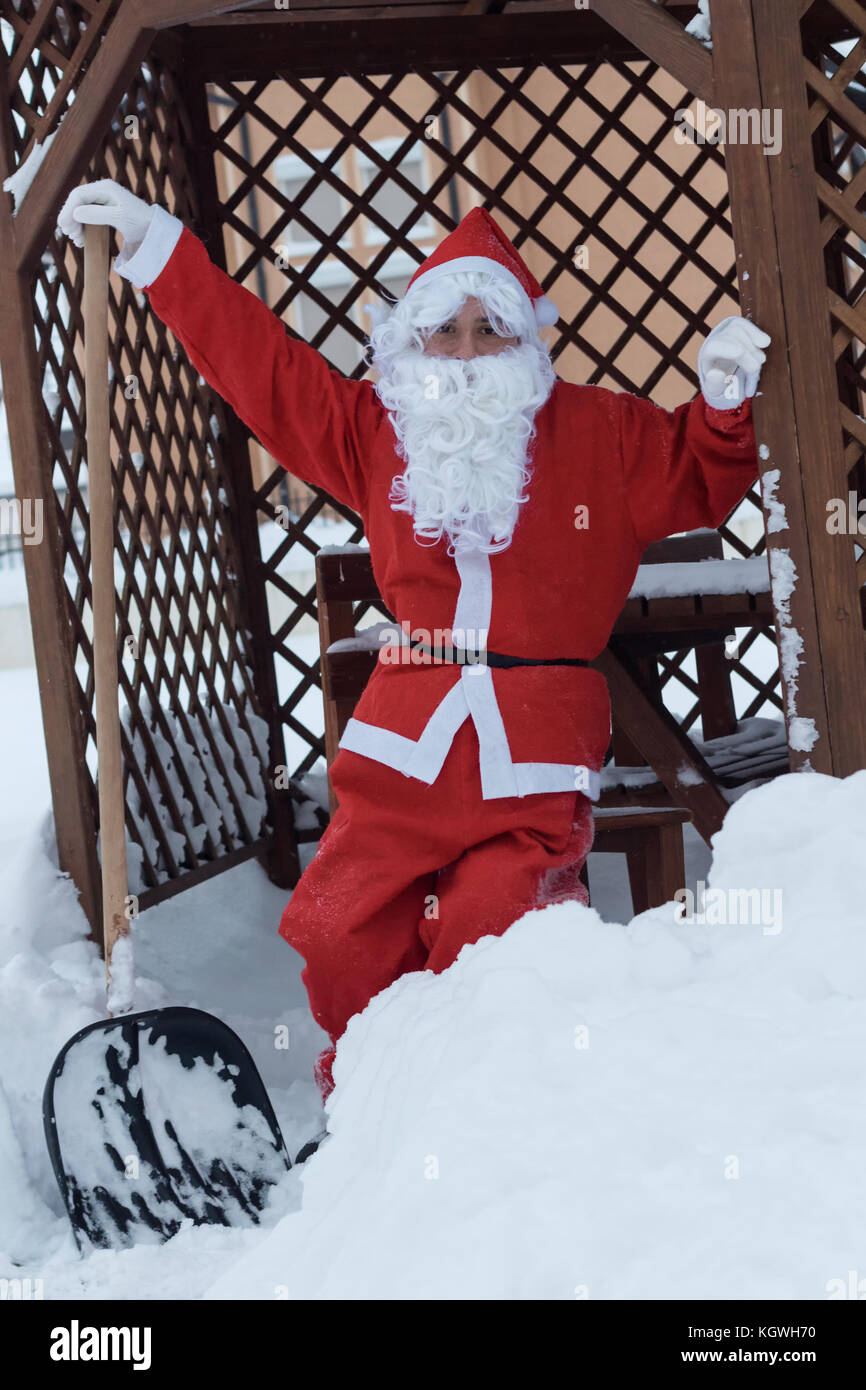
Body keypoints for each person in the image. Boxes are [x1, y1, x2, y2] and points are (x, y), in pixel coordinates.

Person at [58, 180, 770, 1105]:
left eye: (491, 330)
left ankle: (499, 1108)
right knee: (336, 929)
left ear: (526, 342)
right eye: (447, 330)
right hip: (405, 746)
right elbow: (262, 367)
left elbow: (696, 479)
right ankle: (376, 1101)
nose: (468, 353)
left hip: (534, 755)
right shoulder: (373, 429)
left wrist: (721, 409)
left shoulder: (604, 432)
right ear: (413, 341)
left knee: (497, 930)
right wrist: (160, 250)